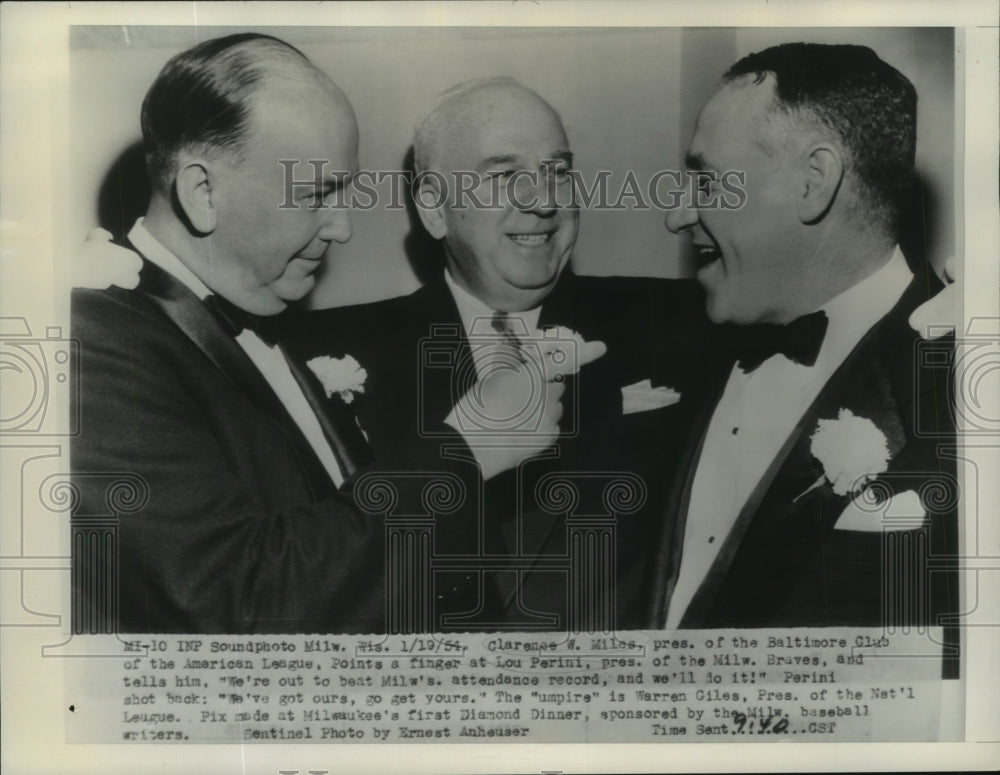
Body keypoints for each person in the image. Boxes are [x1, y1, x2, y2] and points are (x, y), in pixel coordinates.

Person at [70, 35, 577, 634]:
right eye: (316, 196)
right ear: (202, 192)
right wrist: (462, 452)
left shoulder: (255, 318)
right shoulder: (91, 348)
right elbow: (237, 602)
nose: (342, 228)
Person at [283, 78, 711, 631]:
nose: (544, 201)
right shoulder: (320, 354)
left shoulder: (686, 319)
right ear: (435, 210)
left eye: (557, 172)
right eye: (505, 176)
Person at [654, 43, 958, 640]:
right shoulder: (672, 346)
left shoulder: (962, 384)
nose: (677, 217)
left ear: (813, 183)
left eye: (709, 182)